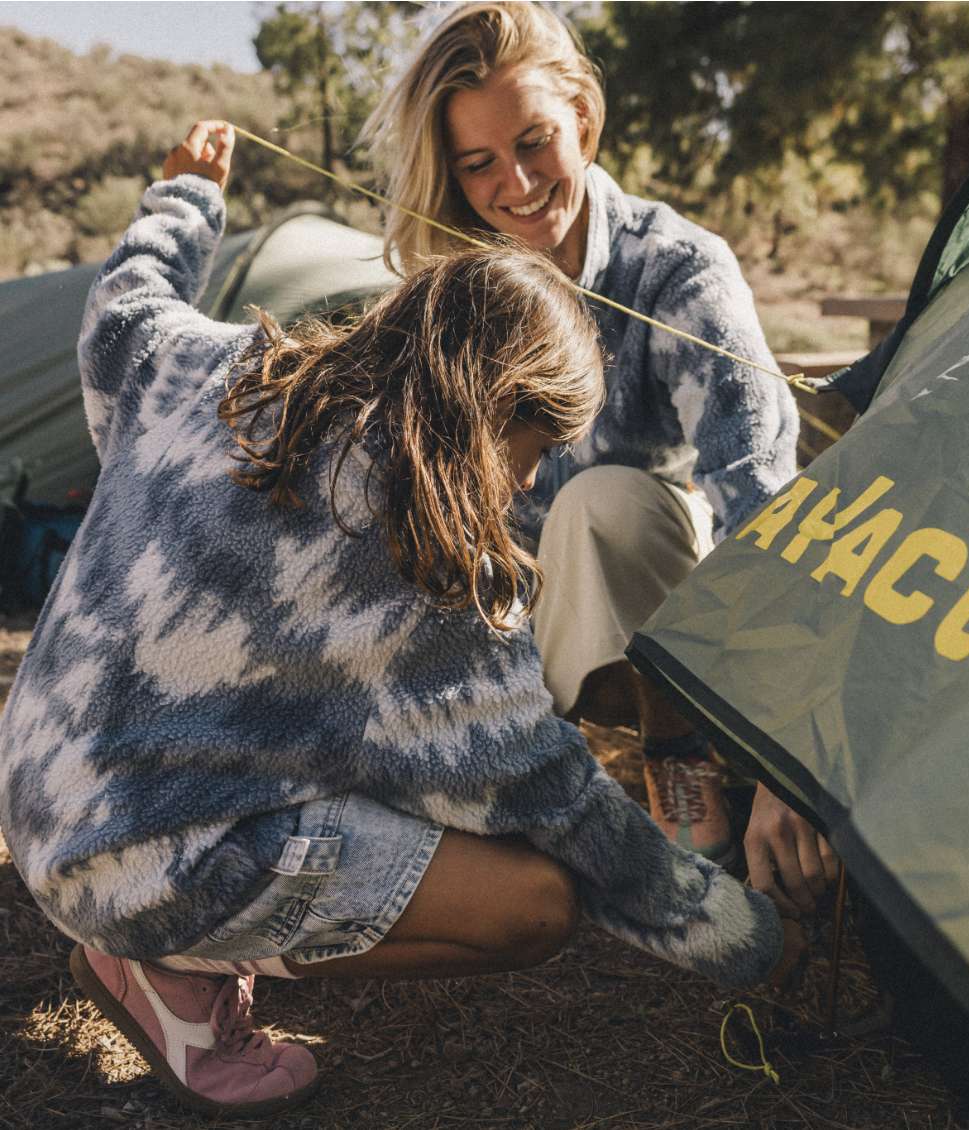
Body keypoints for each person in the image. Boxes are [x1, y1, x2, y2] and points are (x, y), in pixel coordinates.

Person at [0, 129, 790, 1116]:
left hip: (35, 787)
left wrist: (188, 195)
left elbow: (126, 300)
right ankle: (175, 965)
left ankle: (161, 916)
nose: (533, 479)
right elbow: (552, 794)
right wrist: (743, 931)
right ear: (488, 407)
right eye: (535, 443)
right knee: (531, 902)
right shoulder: (421, 564)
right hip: (134, 864)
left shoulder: (212, 363)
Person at [367, 2, 817, 893]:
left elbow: (761, 501)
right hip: (507, 608)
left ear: (582, 114)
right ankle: (520, 762)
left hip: (656, 610)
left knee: (600, 501)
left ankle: (677, 741)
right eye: (479, 164)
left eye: (535, 141)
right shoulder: (455, 297)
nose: (518, 183)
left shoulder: (679, 272)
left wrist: (788, 756)